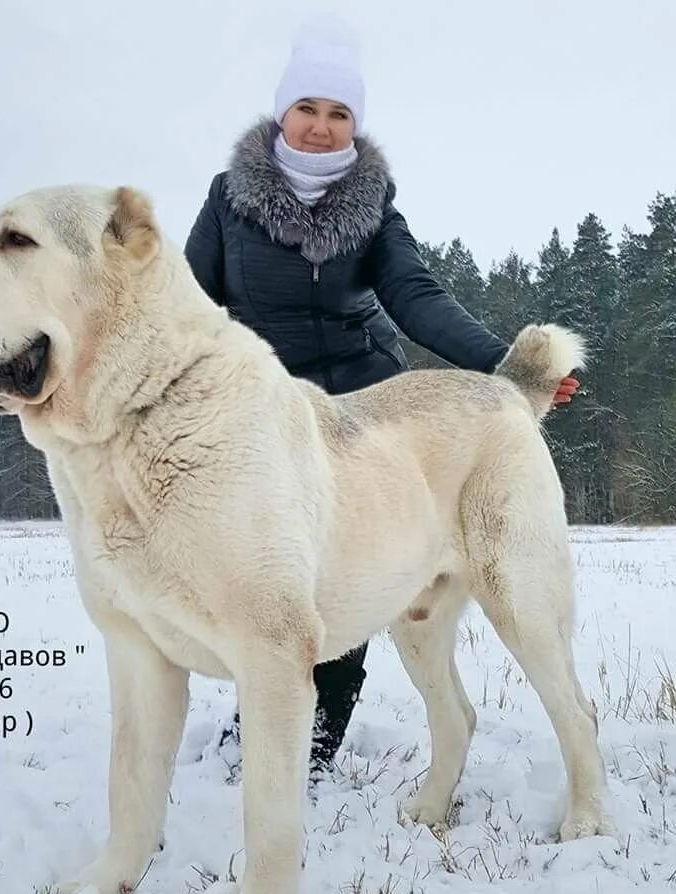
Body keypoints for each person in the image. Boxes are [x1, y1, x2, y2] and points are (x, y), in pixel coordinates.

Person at [183, 26, 579, 780]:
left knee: (354, 565)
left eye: (339, 111)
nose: (322, 124)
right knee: (257, 567)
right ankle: (261, 709)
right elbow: (189, 301)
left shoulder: (372, 200)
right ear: (281, 113)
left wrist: (498, 364)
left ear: (353, 124)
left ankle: (324, 717)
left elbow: (413, 295)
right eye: (308, 106)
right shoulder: (228, 198)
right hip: (259, 411)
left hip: (357, 408)